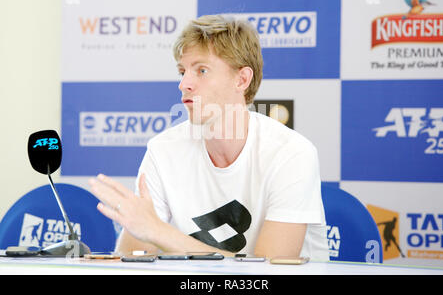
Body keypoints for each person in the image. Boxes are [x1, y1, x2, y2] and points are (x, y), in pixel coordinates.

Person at [88, 14, 329, 261]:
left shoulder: (291, 153)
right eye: (182, 71)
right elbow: (132, 260)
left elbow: (267, 272)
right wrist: (143, 229)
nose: (184, 84)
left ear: (242, 79)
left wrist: (159, 232)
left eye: (201, 70)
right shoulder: (163, 151)